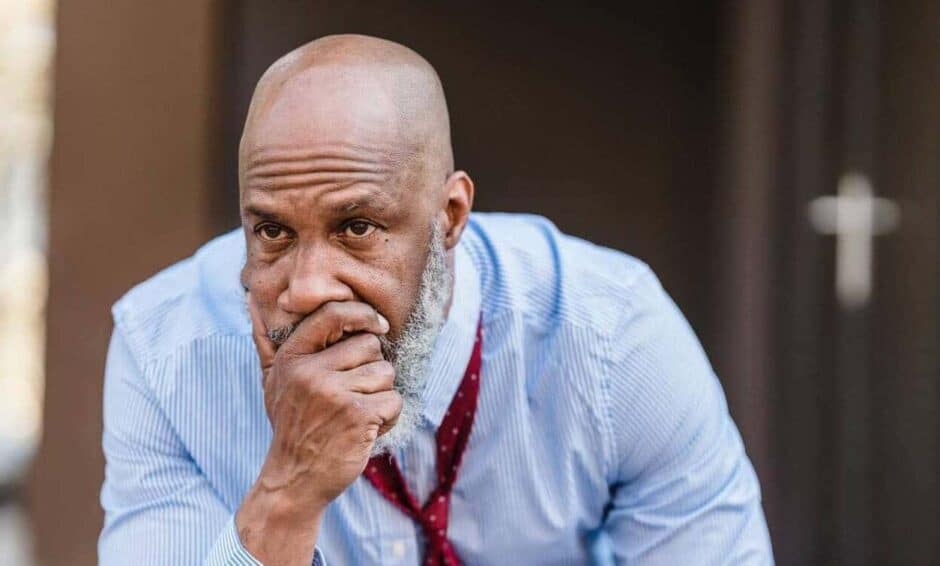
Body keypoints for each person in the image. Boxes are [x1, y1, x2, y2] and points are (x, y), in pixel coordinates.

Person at [98, 34, 772, 565]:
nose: (307, 289)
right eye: (272, 232)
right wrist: (288, 490)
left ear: (449, 217)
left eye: (357, 227)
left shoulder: (612, 337)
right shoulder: (164, 354)